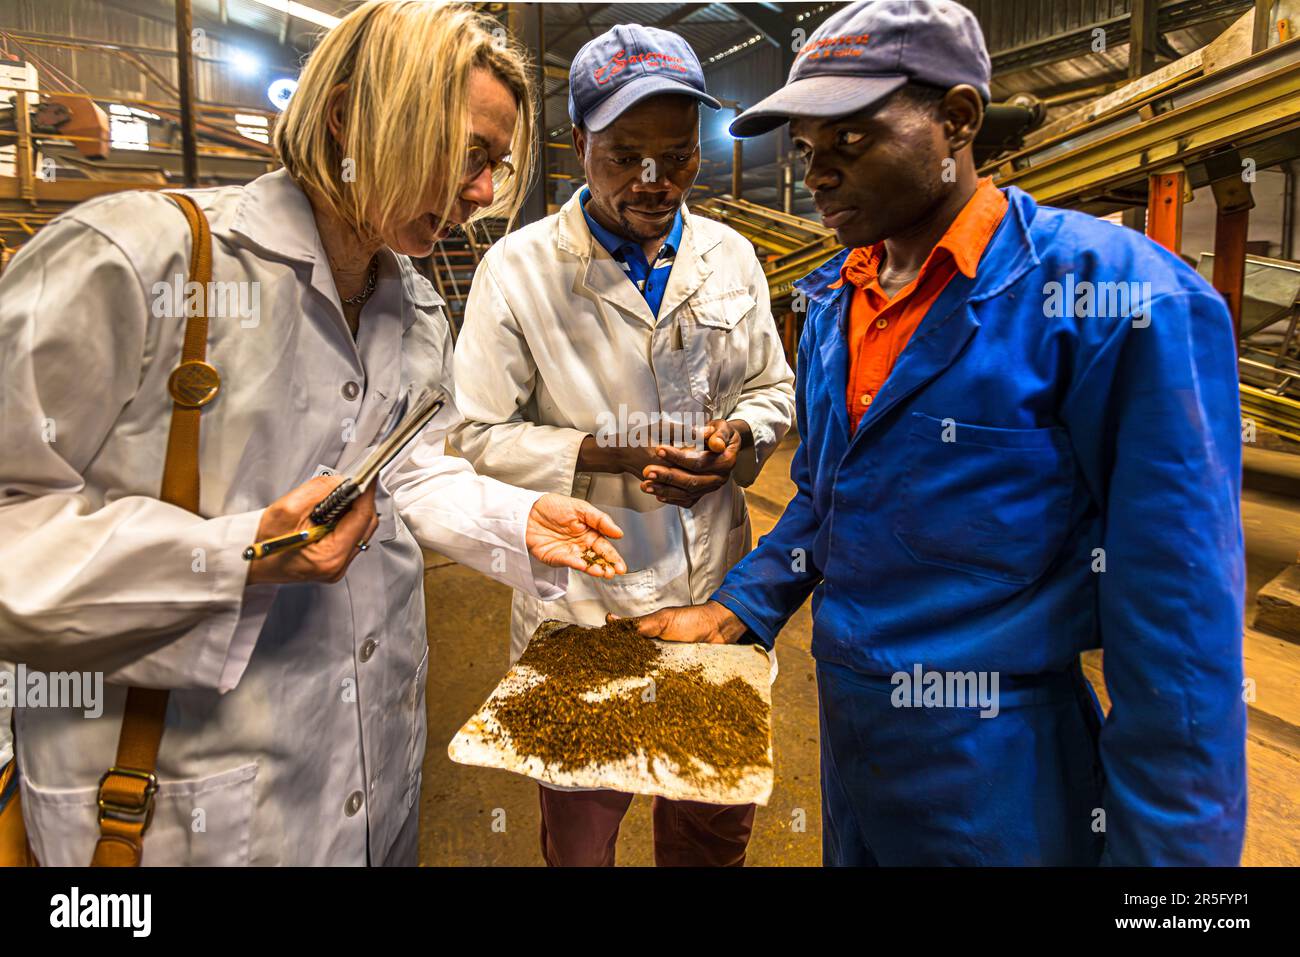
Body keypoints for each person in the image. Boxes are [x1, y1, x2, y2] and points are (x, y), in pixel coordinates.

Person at [0, 0, 626, 867]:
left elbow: (402, 476)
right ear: (349, 117)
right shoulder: (139, 261)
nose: (483, 192)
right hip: (180, 808)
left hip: (373, 788)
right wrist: (235, 555)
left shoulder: (413, 307)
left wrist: (518, 519)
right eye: (470, 154)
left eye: (496, 164)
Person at [625, 0, 1246, 866]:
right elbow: (826, 501)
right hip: (853, 757)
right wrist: (742, 605)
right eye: (806, 150)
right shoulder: (839, 299)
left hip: (1001, 779)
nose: (818, 175)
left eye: (850, 139)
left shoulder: (1118, 302)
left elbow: (1178, 638)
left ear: (958, 119)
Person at [453, 24, 795, 867]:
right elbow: (472, 434)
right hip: (582, 603)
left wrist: (739, 435)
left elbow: (774, 390)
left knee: (709, 833)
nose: (655, 179)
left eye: (678, 155)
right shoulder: (519, 270)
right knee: (581, 836)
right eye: (624, 155)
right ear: (579, 145)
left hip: (713, 593)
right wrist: (602, 452)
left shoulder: (733, 257)